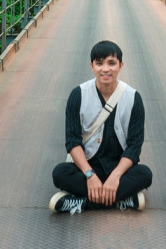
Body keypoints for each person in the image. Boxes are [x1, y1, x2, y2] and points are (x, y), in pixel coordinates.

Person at [50, 40, 153, 214]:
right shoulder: (78, 95)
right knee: (60, 173)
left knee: (145, 174)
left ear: (121, 65)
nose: (105, 69)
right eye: (99, 63)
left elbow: (134, 147)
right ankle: (125, 200)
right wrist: (89, 175)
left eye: (111, 63)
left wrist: (115, 176)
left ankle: (80, 202)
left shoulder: (133, 98)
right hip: (88, 167)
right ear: (92, 66)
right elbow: (72, 141)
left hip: (119, 167)